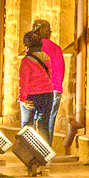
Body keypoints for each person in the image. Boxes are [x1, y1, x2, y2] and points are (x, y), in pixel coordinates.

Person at [18, 18, 65, 146]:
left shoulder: (34, 50)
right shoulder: (56, 48)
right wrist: (57, 86)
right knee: (47, 123)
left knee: (28, 122)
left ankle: (29, 148)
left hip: (34, 91)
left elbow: (24, 78)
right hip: (52, 89)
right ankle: (46, 151)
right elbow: (60, 69)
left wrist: (22, 97)